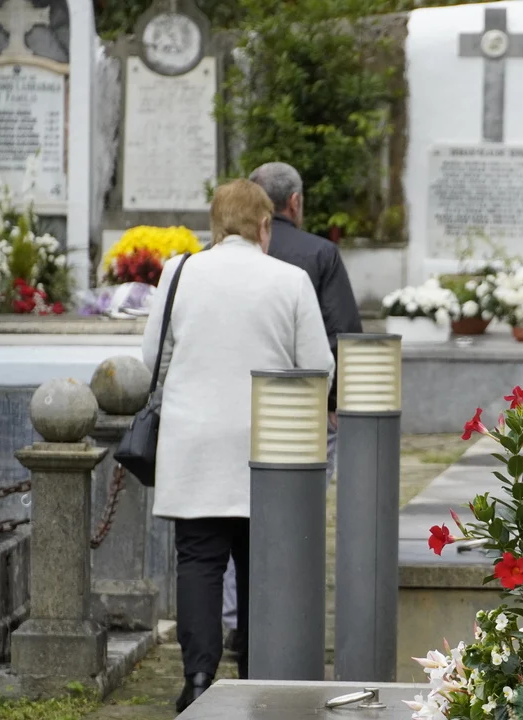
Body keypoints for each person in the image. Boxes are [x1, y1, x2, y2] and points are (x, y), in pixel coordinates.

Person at [143, 179, 335, 712]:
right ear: (265, 226)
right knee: (260, 562)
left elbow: (151, 361)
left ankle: (198, 677)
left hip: (195, 440)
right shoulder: (290, 280)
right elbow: (318, 367)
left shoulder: (179, 273)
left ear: (216, 225)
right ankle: (256, 670)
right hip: (268, 443)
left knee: (199, 560)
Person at [216, 162, 363, 652]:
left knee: (234, 512)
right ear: (294, 202)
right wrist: (335, 403)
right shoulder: (319, 254)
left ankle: (237, 619)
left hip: (230, 408)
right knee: (299, 511)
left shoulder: (210, 261)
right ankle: (287, 610)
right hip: (298, 413)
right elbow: (341, 333)